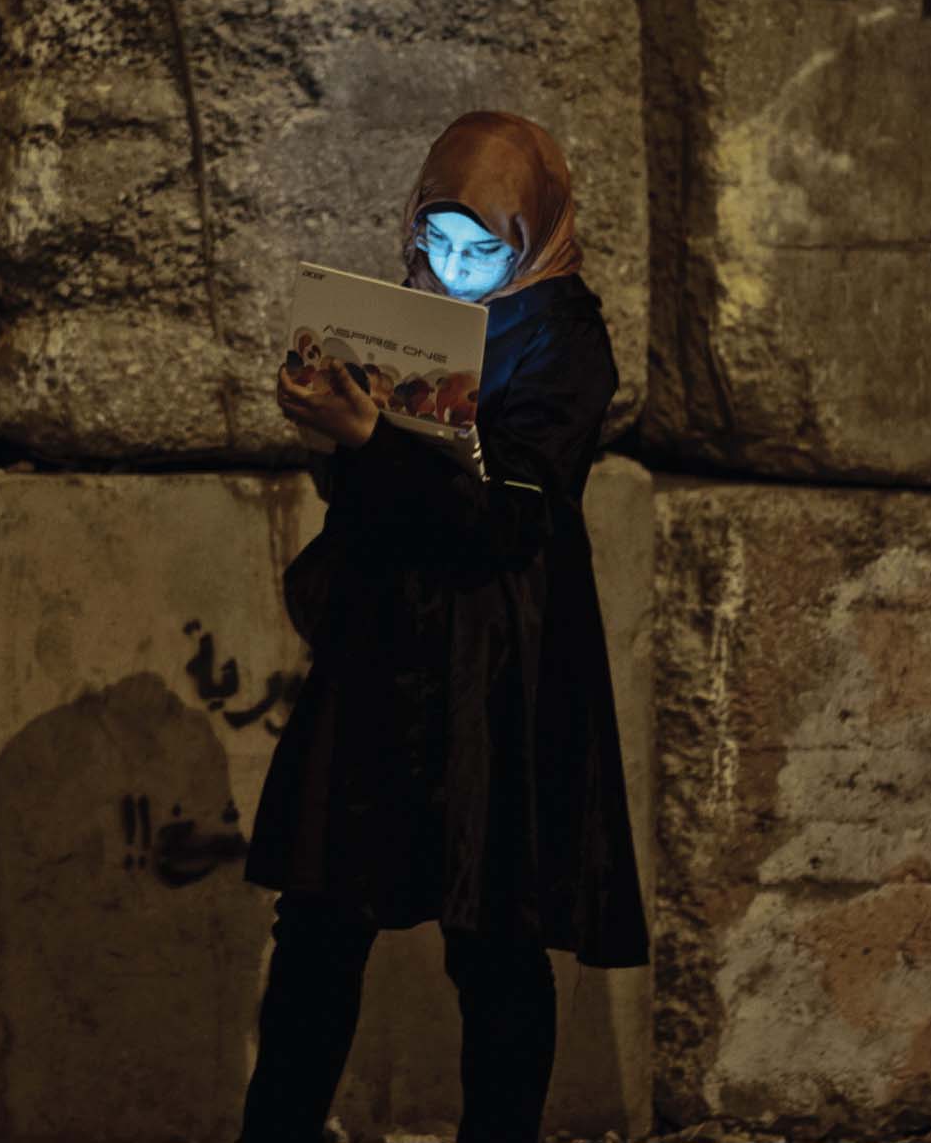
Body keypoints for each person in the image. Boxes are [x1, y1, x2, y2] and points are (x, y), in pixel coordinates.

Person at [239, 111, 650, 1143]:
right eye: (437, 244)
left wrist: (374, 439)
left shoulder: (562, 336)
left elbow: (510, 511)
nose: (455, 271)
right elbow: (374, 499)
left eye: (482, 251)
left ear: (533, 238)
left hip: (498, 667)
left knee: (494, 935)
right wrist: (335, 433)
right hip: (386, 654)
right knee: (321, 919)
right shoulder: (405, 318)